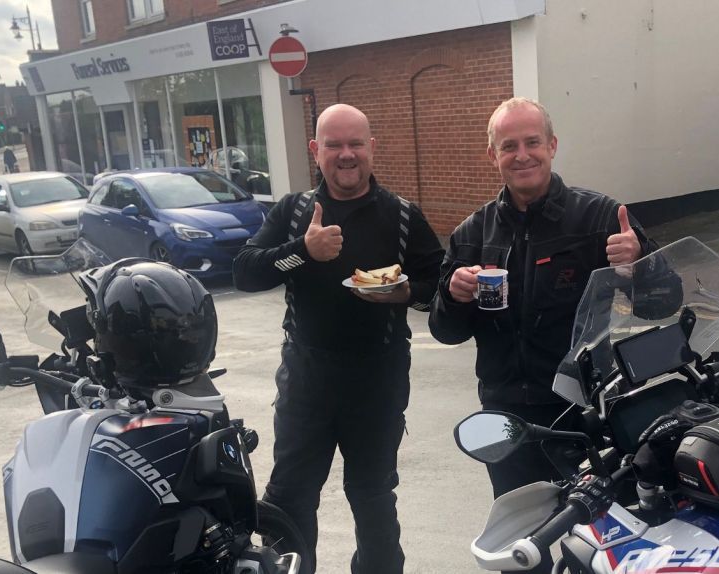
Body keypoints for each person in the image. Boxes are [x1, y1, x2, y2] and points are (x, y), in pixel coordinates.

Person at [428, 97, 659, 537]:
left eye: (532, 142)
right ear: (492, 154)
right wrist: (453, 296)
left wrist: (640, 261)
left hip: (584, 411)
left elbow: (663, 301)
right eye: (508, 145)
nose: (522, 154)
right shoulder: (470, 234)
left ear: (552, 145)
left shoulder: (601, 217)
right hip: (505, 415)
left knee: (602, 536)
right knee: (522, 540)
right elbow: (445, 332)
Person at [233, 103, 444, 574]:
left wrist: (405, 292)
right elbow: (246, 273)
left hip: (378, 379)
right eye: (334, 145)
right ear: (316, 150)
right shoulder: (294, 212)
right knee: (288, 499)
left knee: (372, 497)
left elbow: (439, 283)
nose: (346, 155)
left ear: (372, 147)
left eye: (355, 144)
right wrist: (302, 252)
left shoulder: (402, 216)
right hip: (307, 378)